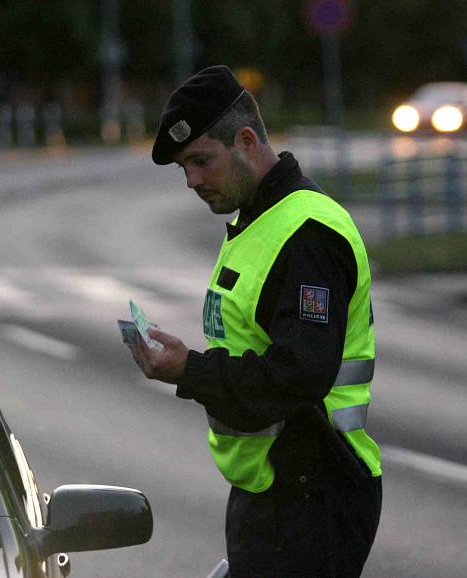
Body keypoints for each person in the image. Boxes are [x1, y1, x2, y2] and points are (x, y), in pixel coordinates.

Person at [130, 65, 382, 577]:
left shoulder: (307, 232)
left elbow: (300, 372)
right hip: (272, 490)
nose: (192, 180)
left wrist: (190, 371)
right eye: (183, 168)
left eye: (201, 161)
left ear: (246, 141)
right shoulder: (257, 221)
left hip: (313, 490)